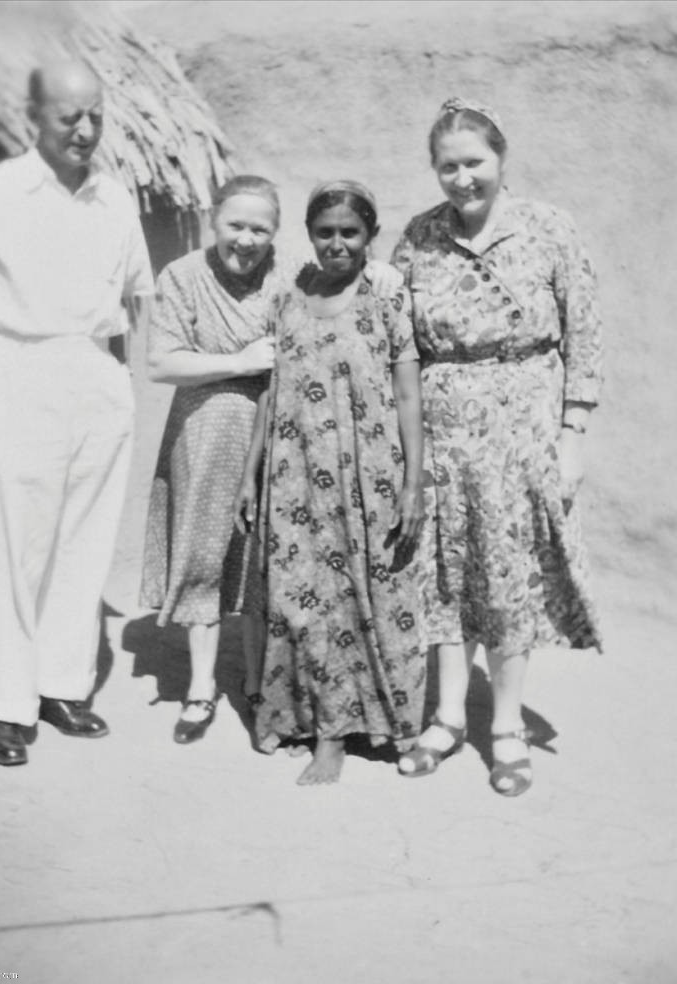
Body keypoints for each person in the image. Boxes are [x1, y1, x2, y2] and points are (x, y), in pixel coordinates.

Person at [0, 60, 154, 766]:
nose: (84, 129)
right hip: (20, 369)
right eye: (68, 116)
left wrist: (118, 382)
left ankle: (61, 687)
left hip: (96, 371)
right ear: (33, 117)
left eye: (95, 115)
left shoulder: (115, 198)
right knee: (13, 545)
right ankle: (4, 706)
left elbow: (136, 291)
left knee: (84, 539)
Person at [142, 176, 404, 746]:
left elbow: (345, 269)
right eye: (235, 225)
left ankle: (262, 682)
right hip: (207, 427)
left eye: (259, 229)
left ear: (276, 233)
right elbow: (160, 363)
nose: (246, 239)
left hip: (283, 434)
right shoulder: (182, 276)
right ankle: (201, 687)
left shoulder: (291, 274)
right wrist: (238, 361)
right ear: (214, 220)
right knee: (204, 554)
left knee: (268, 561)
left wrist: (382, 270)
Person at [391, 97, 603, 796]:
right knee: (444, 574)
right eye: (447, 167)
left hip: (524, 432)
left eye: (474, 162)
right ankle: (448, 717)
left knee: (509, 576)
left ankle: (506, 725)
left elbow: (584, 333)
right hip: (443, 437)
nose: (462, 179)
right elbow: (397, 340)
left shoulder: (548, 228)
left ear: (501, 158)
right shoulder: (419, 237)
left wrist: (572, 434)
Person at [235, 180, 425, 785]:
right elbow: (270, 392)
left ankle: (346, 731)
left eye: (350, 232)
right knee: (299, 600)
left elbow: (408, 396)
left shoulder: (387, 302)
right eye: (325, 232)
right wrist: (250, 474)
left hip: (367, 478)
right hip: (293, 477)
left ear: (370, 235)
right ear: (309, 235)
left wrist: (413, 483)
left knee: (362, 598)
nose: (337, 243)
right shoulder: (288, 299)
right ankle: (312, 721)